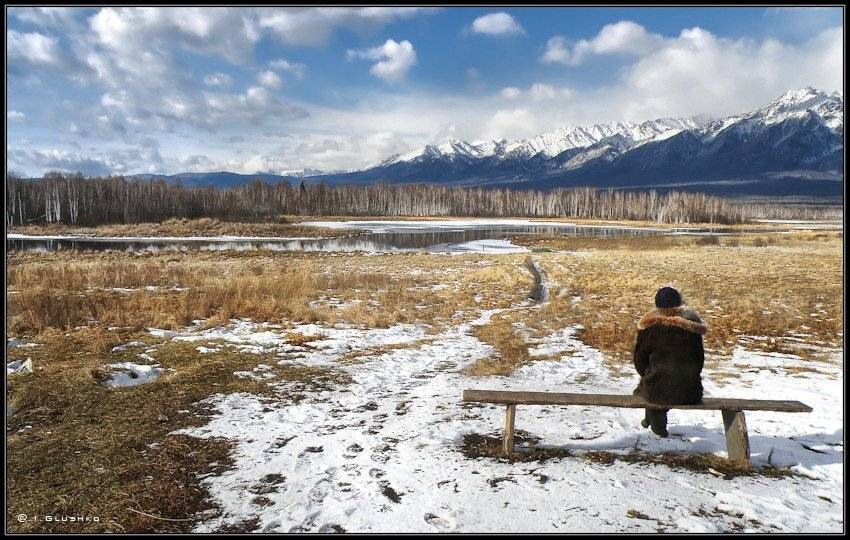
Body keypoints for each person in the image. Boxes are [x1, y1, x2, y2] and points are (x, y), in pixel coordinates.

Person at [633, 286, 708, 437]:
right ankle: (650, 416)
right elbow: (699, 360)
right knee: (662, 384)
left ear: (657, 305)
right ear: (680, 304)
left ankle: (656, 419)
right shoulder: (692, 327)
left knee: (651, 386)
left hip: (658, 391)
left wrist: (647, 374)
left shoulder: (650, 327)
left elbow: (639, 361)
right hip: (690, 392)